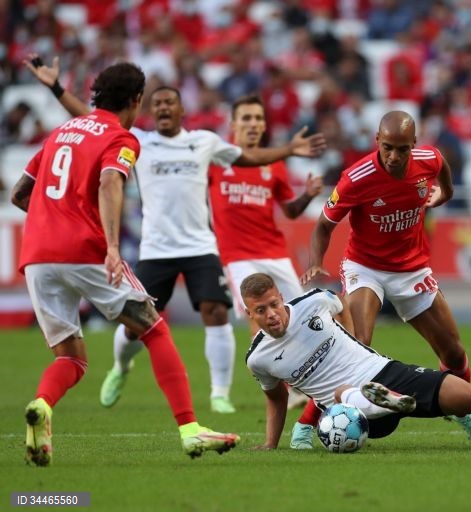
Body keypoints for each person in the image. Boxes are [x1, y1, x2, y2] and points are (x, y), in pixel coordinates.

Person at [25, 55, 326, 414]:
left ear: (183, 111)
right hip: (155, 249)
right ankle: (121, 367)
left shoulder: (203, 142)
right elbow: (91, 118)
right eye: (158, 103)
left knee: (216, 311)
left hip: (200, 245)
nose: (164, 107)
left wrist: (289, 149)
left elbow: (247, 156)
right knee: (139, 326)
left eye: (171, 103)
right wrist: (57, 87)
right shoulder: (137, 139)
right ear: (145, 108)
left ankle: (219, 394)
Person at [10, 62, 239, 467]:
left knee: (71, 358)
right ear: (136, 101)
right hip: (85, 251)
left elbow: (19, 194)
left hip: (37, 257)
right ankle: (190, 430)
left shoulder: (60, 132)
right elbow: (110, 181)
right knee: (153, 328)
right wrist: (112, 246)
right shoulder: (122, 137)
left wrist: (53, 220)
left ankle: (42, 407)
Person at [296, 111, 471, 449]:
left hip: (412, 268)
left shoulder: (427, 160)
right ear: (377, 141)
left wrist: (445, 191)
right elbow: (324, 226)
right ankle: (305, 424)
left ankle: (461, 409)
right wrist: (315, 264)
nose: (394, 156)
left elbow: (441, 163)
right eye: (388, 147)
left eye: (402, 149)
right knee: (358, 345)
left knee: (454, 352)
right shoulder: (356, 178)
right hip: (364, 267)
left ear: (413, 146)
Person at [241, 273, 471, 451]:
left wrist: (349, 336)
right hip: (350, 417)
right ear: (250, 313)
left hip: (384, 372)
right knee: (342, 393)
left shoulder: (314, 301)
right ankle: (374, 401)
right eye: (261, 311)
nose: (271, 315)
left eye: (274, 304)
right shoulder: (259, 358)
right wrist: (271, 444)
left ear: (280, 297)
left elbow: (340, 303)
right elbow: (276, 399)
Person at [208, 93, 323, 410]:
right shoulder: (217, 159)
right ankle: (280, 387)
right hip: (238, 257)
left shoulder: (274, 163)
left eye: (258, 118)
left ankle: (311, 381)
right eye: (246, 118)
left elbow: (290, 211)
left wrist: (309, 195)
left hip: (275, 252)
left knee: (298, 314)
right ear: (232, 124)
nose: (254, 124)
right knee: (259, 315)